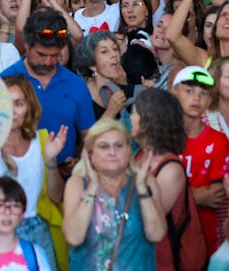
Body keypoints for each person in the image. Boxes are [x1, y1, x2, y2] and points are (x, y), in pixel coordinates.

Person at [0, 75, 66, 271]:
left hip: (39, 228)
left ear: (29, 107)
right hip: (0, 231)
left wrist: (50, 160)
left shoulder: (41, 141)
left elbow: (56, 196)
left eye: (18, 104)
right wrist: (7, 172)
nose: (12, 111)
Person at [62, 118, 165, 270]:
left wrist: (142, 189)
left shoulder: (147, 182)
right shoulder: (77, 184)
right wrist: (92, 189)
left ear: (129, 150)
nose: (112, 152)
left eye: (119, 146)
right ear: (90, 155)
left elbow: (157, 235)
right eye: (104, 147)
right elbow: (73, 238)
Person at [1, 9, 95, 170]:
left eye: (55, 55)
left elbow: (89, 138)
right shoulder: (4, 82)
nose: (48, 62)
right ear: (26, 46)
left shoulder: (76, 85)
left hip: (62, 182)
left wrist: (80, 162)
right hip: (14, 181)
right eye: (41, 55)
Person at [131, 87, 205, 271]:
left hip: (167, 261)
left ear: (148, 120)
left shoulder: (170, 169)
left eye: (134, 113)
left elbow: (148, 223)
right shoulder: (138, 155)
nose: (130, 118)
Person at [171, 65, 229, 258]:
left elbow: (216, 194)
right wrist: (195, 197)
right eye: (189, 91)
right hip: (168, 238)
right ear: (174, 92)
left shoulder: (218, 140)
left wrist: (175, 198)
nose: (196, 98)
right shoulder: (163, 137)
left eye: (203, 93)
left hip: (206, 238)